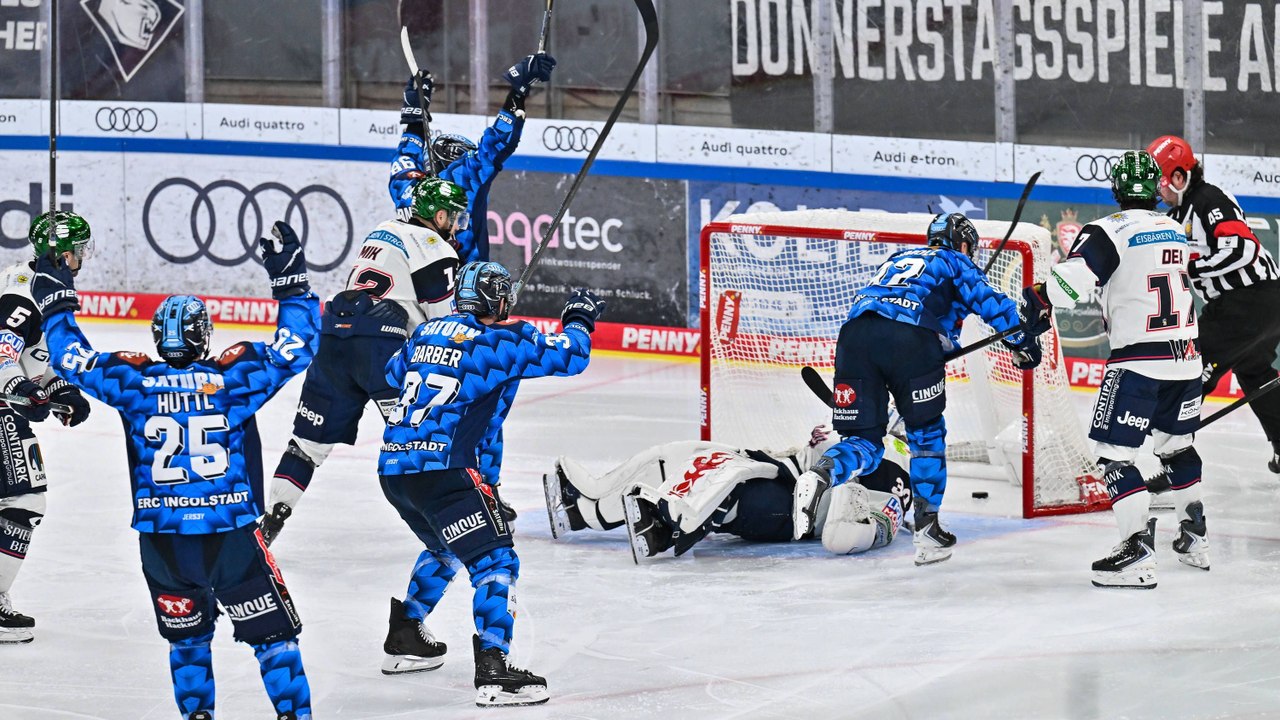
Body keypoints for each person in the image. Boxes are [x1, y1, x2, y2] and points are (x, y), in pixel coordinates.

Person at [33, 221, 320, 718]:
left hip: (163, 542)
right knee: (275, 643)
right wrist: (289, 280)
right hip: (230, 534)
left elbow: (71, 357)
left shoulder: (132, 382)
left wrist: (58, 299)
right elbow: (299, 346)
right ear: (205, 337)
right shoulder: (234, 378)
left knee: (188, 647)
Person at [376, 261, 602, 707]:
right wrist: (578, 317)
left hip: (395, 470)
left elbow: (390, 374)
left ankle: (406, 636)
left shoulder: (427, 333)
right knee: (496, 562)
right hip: (446, 470)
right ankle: (495, 672)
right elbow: (571, 356)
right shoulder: (503, 339)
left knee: (445, 546)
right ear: (500, 299)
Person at [791, 212, 1050, 566]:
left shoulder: (898, 260)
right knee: (926, 437)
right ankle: (928, 530)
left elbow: (918, 316)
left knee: (864, 441)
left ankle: (821, 474)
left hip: (854, 336)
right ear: (963, 244)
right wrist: (1024, 341)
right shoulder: (955, 261)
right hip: (909, 341)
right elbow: (992, 305)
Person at [260, 178, 469, 546]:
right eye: (453, 217)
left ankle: (271, 521)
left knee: (306, 445)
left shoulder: (383, 230)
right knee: (424, 439)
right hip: (384, 350)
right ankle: (458, 519)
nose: (456, 225)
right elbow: (443, 325)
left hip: (336, 337)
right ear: (438, 215)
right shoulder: (438, 249)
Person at [1044, 150, 1207, 589]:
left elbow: (1069, 284)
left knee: (1114, 457)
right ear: (1155, 188)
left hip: (1138, 361)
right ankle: (1195, 539)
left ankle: (1136, 550)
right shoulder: (1175, 228)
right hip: (1185, 357)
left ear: (1115, 189)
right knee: (1176, 448)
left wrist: (1036, 300)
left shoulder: (1107, 231)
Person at [545, 425, 912, 561]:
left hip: (785, 508)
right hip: (780, 477)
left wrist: (856, 516)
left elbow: (858, 529)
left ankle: (666, 528)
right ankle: (581, 508)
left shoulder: (899, 473)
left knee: (731, 481)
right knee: (680, 454)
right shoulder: (860, 435)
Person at [1146, 135, 1280, 473]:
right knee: (1255, 374)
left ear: (1179, 176)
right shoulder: (1177, 215)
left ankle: (1174, 464)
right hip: (1255, 304)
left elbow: (1242, 250)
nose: (1157, 190)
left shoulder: (1209, 199)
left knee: (1190, 369)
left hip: (1250, 301)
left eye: (1161, 181)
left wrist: (1190, 267)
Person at [0, 212, 94, 644]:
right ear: (64, 253)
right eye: (79, 249)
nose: (83, 258)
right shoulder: (24, 295)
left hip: (7, 403)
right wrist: (19, 387)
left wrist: (59, 389)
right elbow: (2, 355)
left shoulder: (47, 287)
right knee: (24, 498)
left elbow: (35, 360)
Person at [389, 52, 557, 263]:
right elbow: (495, 145)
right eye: (463, 158)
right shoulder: (460, 181)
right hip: (461, 288)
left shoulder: (406, 186)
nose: (466, 161)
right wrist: (518, 91)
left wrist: (414, 118)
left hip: (414, 285)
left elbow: (405, 156)